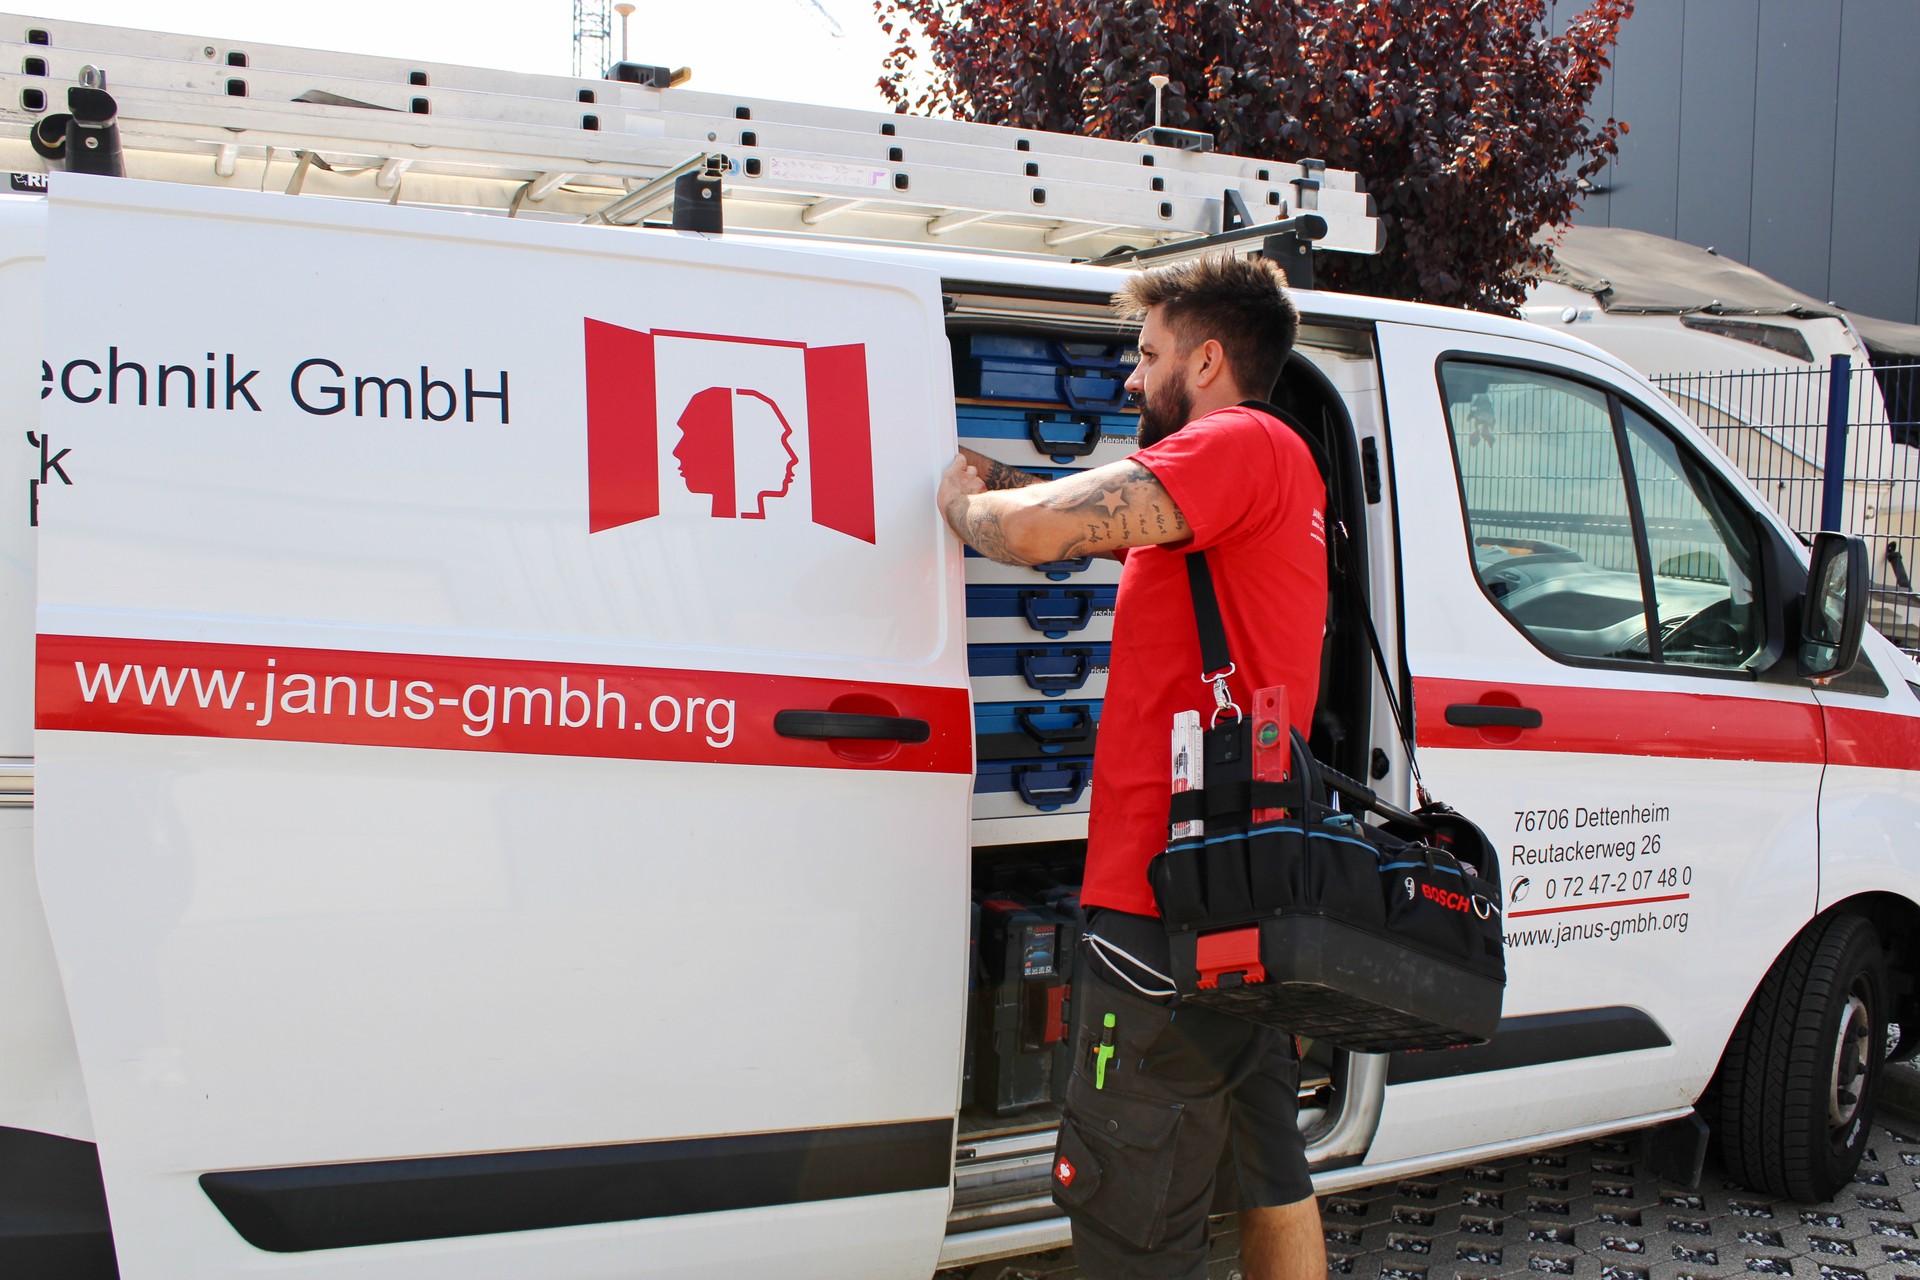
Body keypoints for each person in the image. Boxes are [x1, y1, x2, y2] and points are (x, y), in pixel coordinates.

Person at [937, 252, 1329, 1280]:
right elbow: (1093, 518)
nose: (1128, 376)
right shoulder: (1259, 478)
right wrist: (1000, 473)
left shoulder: (1235, 443)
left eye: (1147, 355)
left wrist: (960, 506)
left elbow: (1035, 533)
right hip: (1243, 895)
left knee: (1131, 1215)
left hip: (1165, 909)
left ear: (1206, 361)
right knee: (1270, 1170)